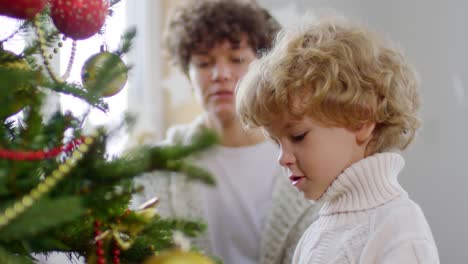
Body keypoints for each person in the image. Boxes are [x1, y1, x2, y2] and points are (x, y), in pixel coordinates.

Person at [235, 14, 440, 263]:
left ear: (361, 121)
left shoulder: (399, 230)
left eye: (298, 136)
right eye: (277, 143)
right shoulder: (315, 234)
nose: (282, 158)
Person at [132, 1, 320, 264]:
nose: (221, 74)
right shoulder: (157, 169)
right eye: (204, 62)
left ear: (264, 65)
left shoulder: (302, 158)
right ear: (188, 74)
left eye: (237, 59)